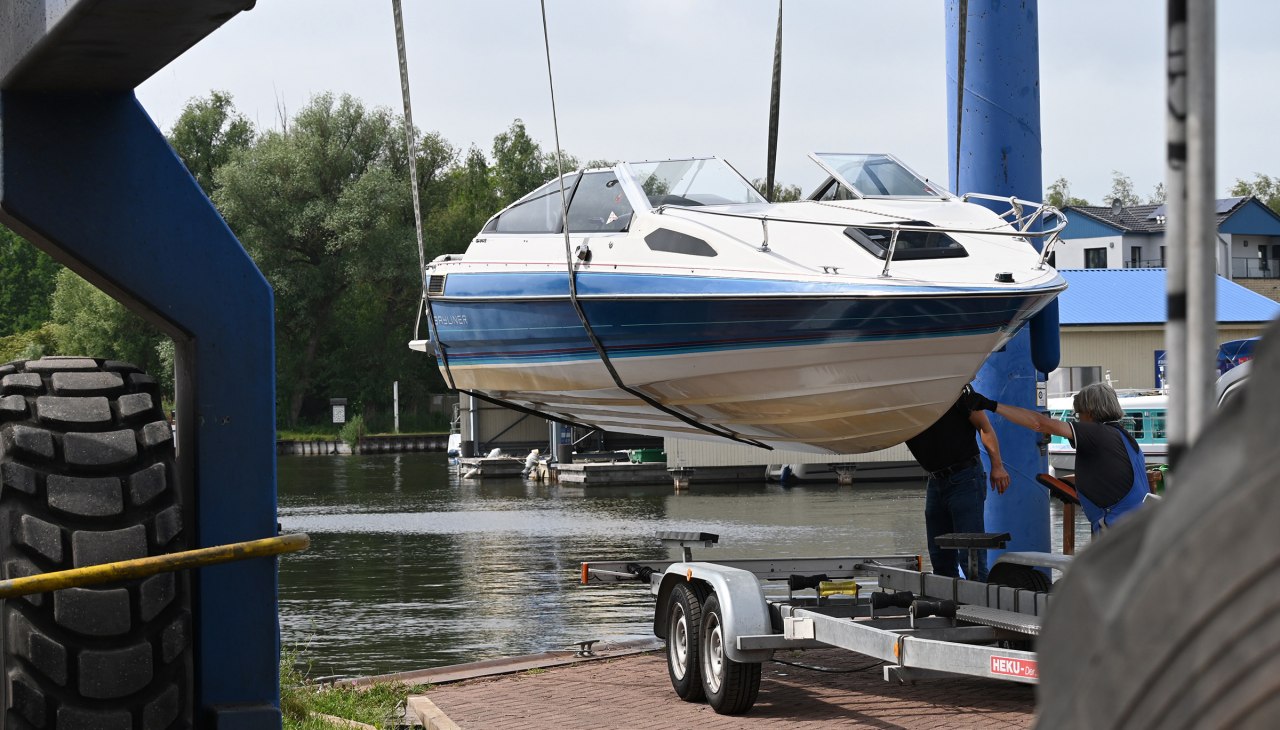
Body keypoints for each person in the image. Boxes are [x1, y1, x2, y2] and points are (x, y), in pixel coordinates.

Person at [964, 382, 1148, 534]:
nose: (1078, 419)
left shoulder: (1097, 433)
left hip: (1119, 532)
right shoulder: (1123, 436)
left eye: (1078, 414)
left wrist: (990, 405)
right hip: (1139, 525)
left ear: (1090, 413)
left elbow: (1039, 423)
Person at [905, 390, 1011, 581]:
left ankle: (981, 609)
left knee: (971, 559)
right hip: (935, 480)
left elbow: (984, 426)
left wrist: (997, 465)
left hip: (965, 476)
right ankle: (949, 607)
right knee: (940, 558)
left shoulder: (955, 390)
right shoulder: (899, 402)